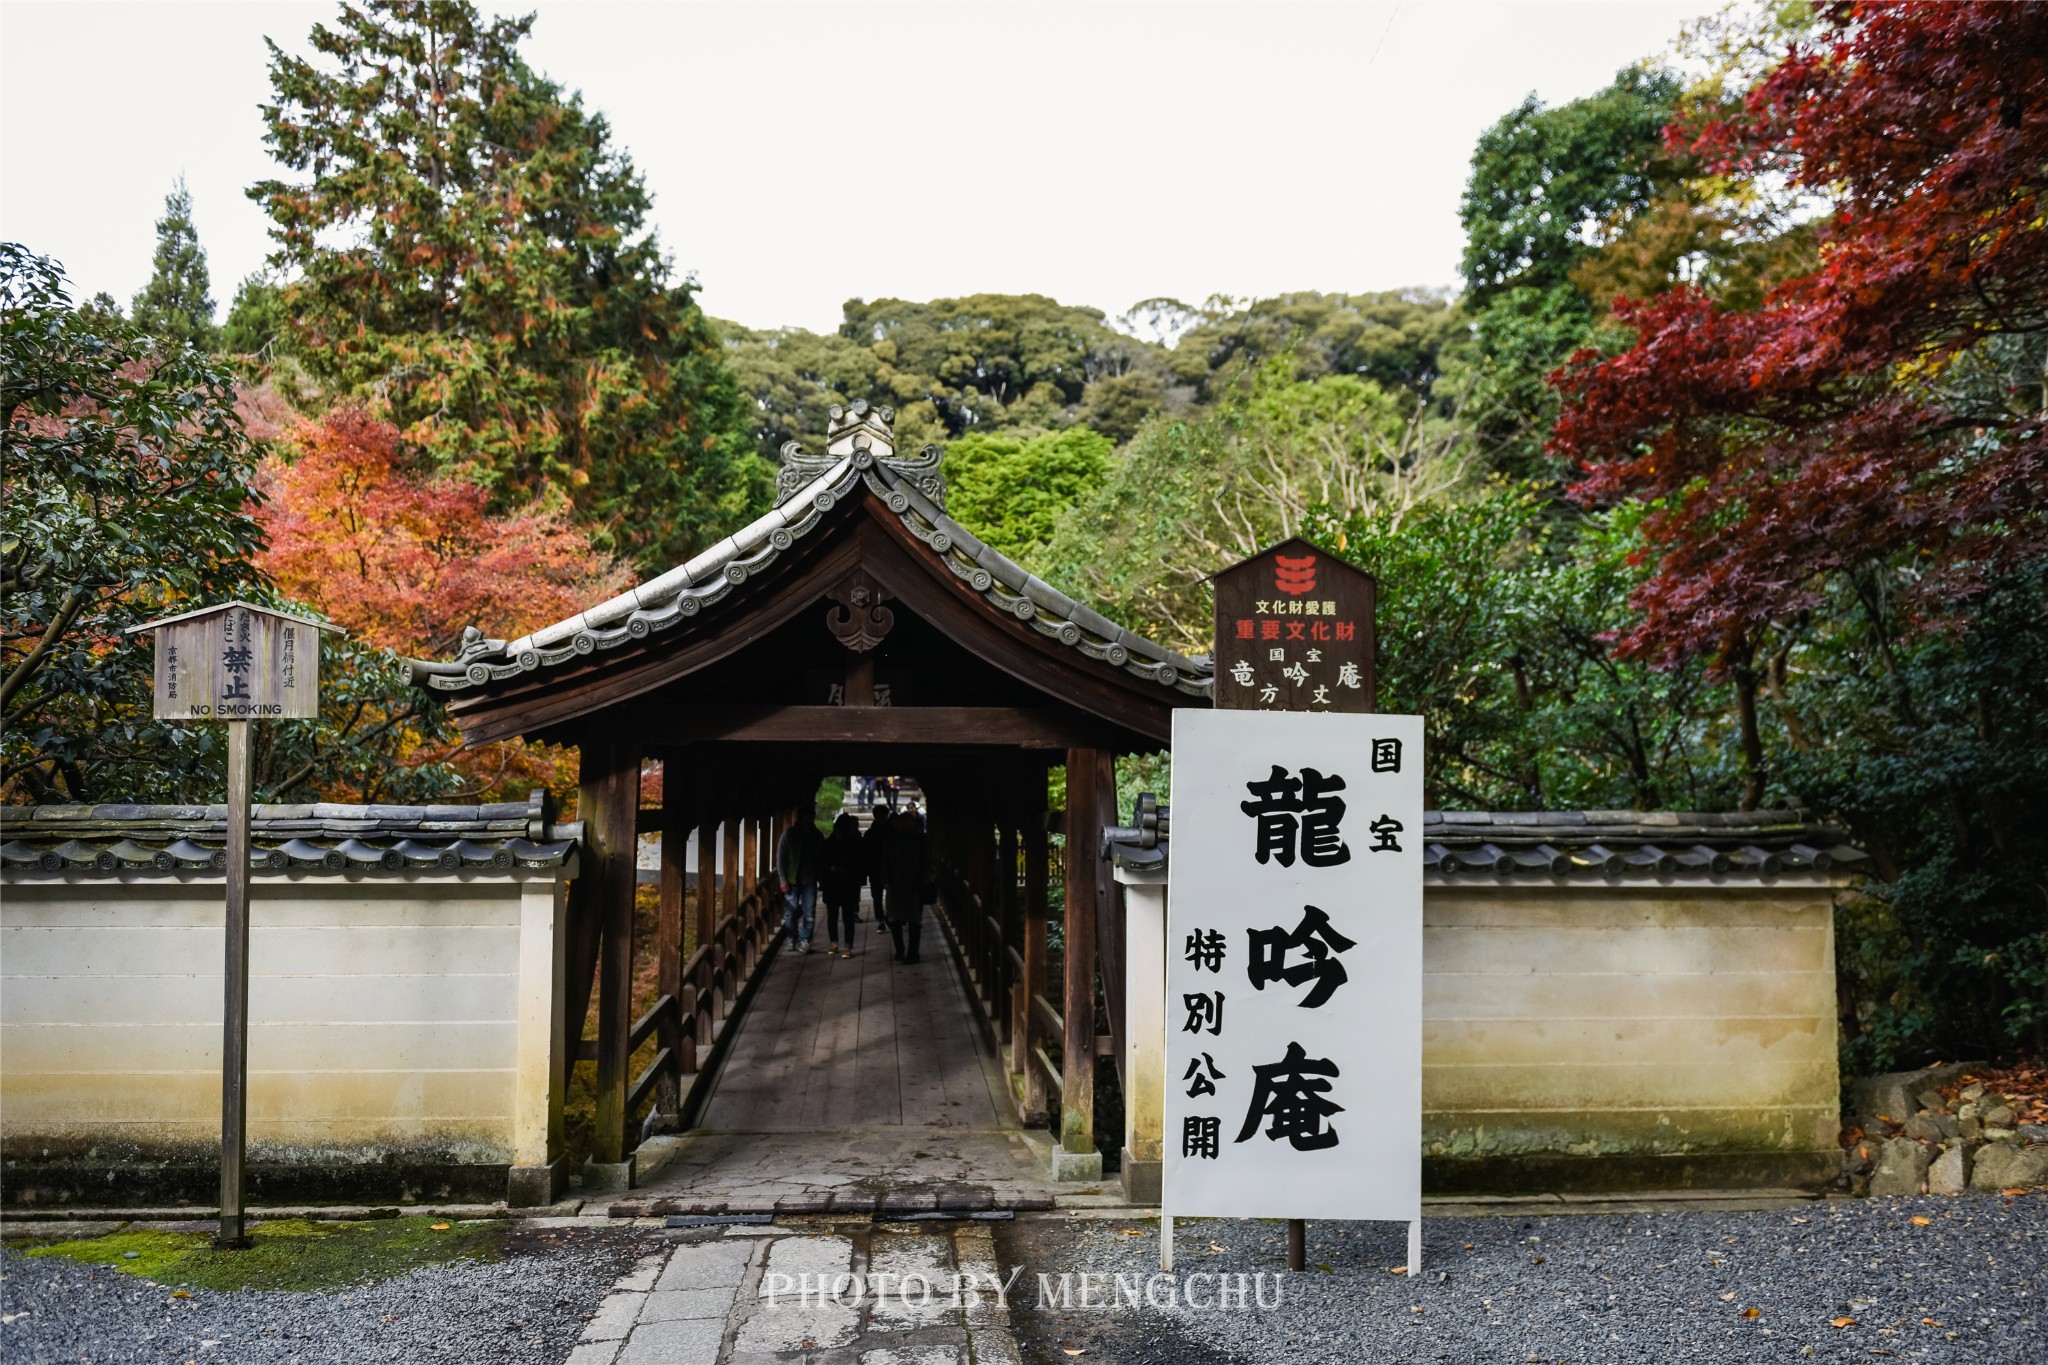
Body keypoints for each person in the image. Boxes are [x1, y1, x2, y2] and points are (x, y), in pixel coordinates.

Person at [775, 801, 827, 954]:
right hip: (792, 880)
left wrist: (822, 878)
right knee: (790, 913)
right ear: (800, 819)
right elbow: (780, 857)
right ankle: (792, 937)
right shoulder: (789, 834)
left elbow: (822, 857)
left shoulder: (816, 835)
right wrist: (782, 878)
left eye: (811, 819)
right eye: (806, 819)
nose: (809, 822)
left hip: (810, 879)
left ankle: (805, 940)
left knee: (809, 912)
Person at [883, 805, 929, 964]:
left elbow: (886, 862)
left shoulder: (896, 840)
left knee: (900, 919)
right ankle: (909, 952)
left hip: (906, 884)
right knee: (911, 920)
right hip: (909, 883)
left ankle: (904, 951)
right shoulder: (916, 839)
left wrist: (887, 880)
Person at [820, 811, 864, 958]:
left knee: (847, 917)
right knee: (832, 916)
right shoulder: (828, 844)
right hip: (832, 885)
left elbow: (858, 863)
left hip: (847, 884)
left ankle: (847, 946)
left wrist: (846, 870)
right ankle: (834, 943)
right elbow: (822, 864)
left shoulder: (853, 843)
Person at [863, 799, 892, 930]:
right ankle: (881, 918)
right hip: (876, 869)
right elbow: (866, 853)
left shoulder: (892, 832)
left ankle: (886, 917)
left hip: (889, 869)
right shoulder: (870, 834)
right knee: (877, 896)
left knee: (886, 895)